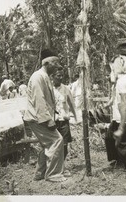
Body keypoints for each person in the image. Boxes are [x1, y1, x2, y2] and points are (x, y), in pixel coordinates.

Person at [23, 49, 67, 182]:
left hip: (37, 117)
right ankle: (53, 174)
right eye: (55, 64)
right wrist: (47, 120)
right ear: (47, 63)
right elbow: (39, 100)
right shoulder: (38, 77)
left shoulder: (45, 76)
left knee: (46, 145)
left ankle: (40, 174)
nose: (57, 67)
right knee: (57, 140)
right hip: (38, 118)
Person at [51, 66, 77, 160]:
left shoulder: (65, 89)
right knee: (54, 145)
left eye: (62, 75)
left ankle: (62, 165)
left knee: (64, 145)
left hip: (64, 121)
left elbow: (71, 104)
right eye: (58, 75)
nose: (60, 77)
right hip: (52, 122)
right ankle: (54, 167)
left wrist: (76, 117)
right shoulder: (49, 89)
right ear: (52, 76)